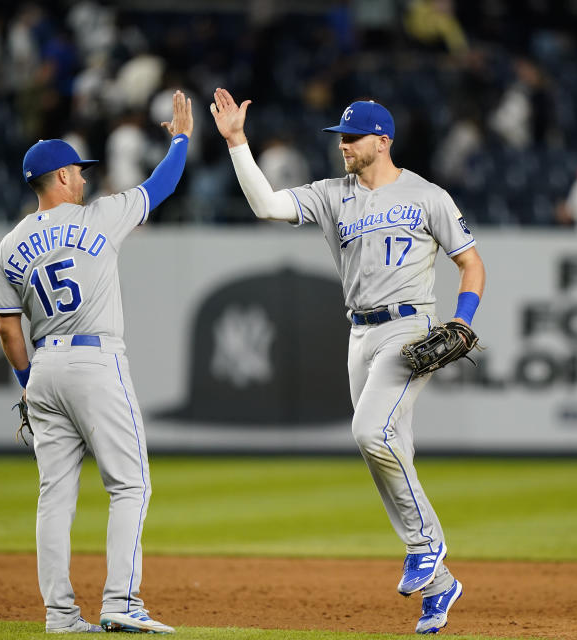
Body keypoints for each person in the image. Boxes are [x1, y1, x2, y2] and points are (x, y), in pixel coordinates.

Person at [210, 88, 485, 635]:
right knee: (388, 449)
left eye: (352, 138)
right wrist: (238, 142)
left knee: (370, 432)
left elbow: (472, 266)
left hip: (410, 329)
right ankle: (439, 586)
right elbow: (267, 205)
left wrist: (464, 320)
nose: (343, 146)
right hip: (359, 335)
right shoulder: (333, 194)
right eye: (340, 138)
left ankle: (428, 544)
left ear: (383, 141)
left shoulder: (427, 195)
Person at [0, 90, 194, 634]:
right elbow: (162, 186)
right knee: (130, 486)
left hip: (45, 369)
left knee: (53, 497)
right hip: (95, 361)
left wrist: (29, 385)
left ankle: (61, 616)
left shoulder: (10, 245)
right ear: (59, 177)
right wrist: (180, 139)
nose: (83, 178)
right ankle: (121, 602)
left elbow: (9, 327)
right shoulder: (101, 217)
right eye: (77, 172)